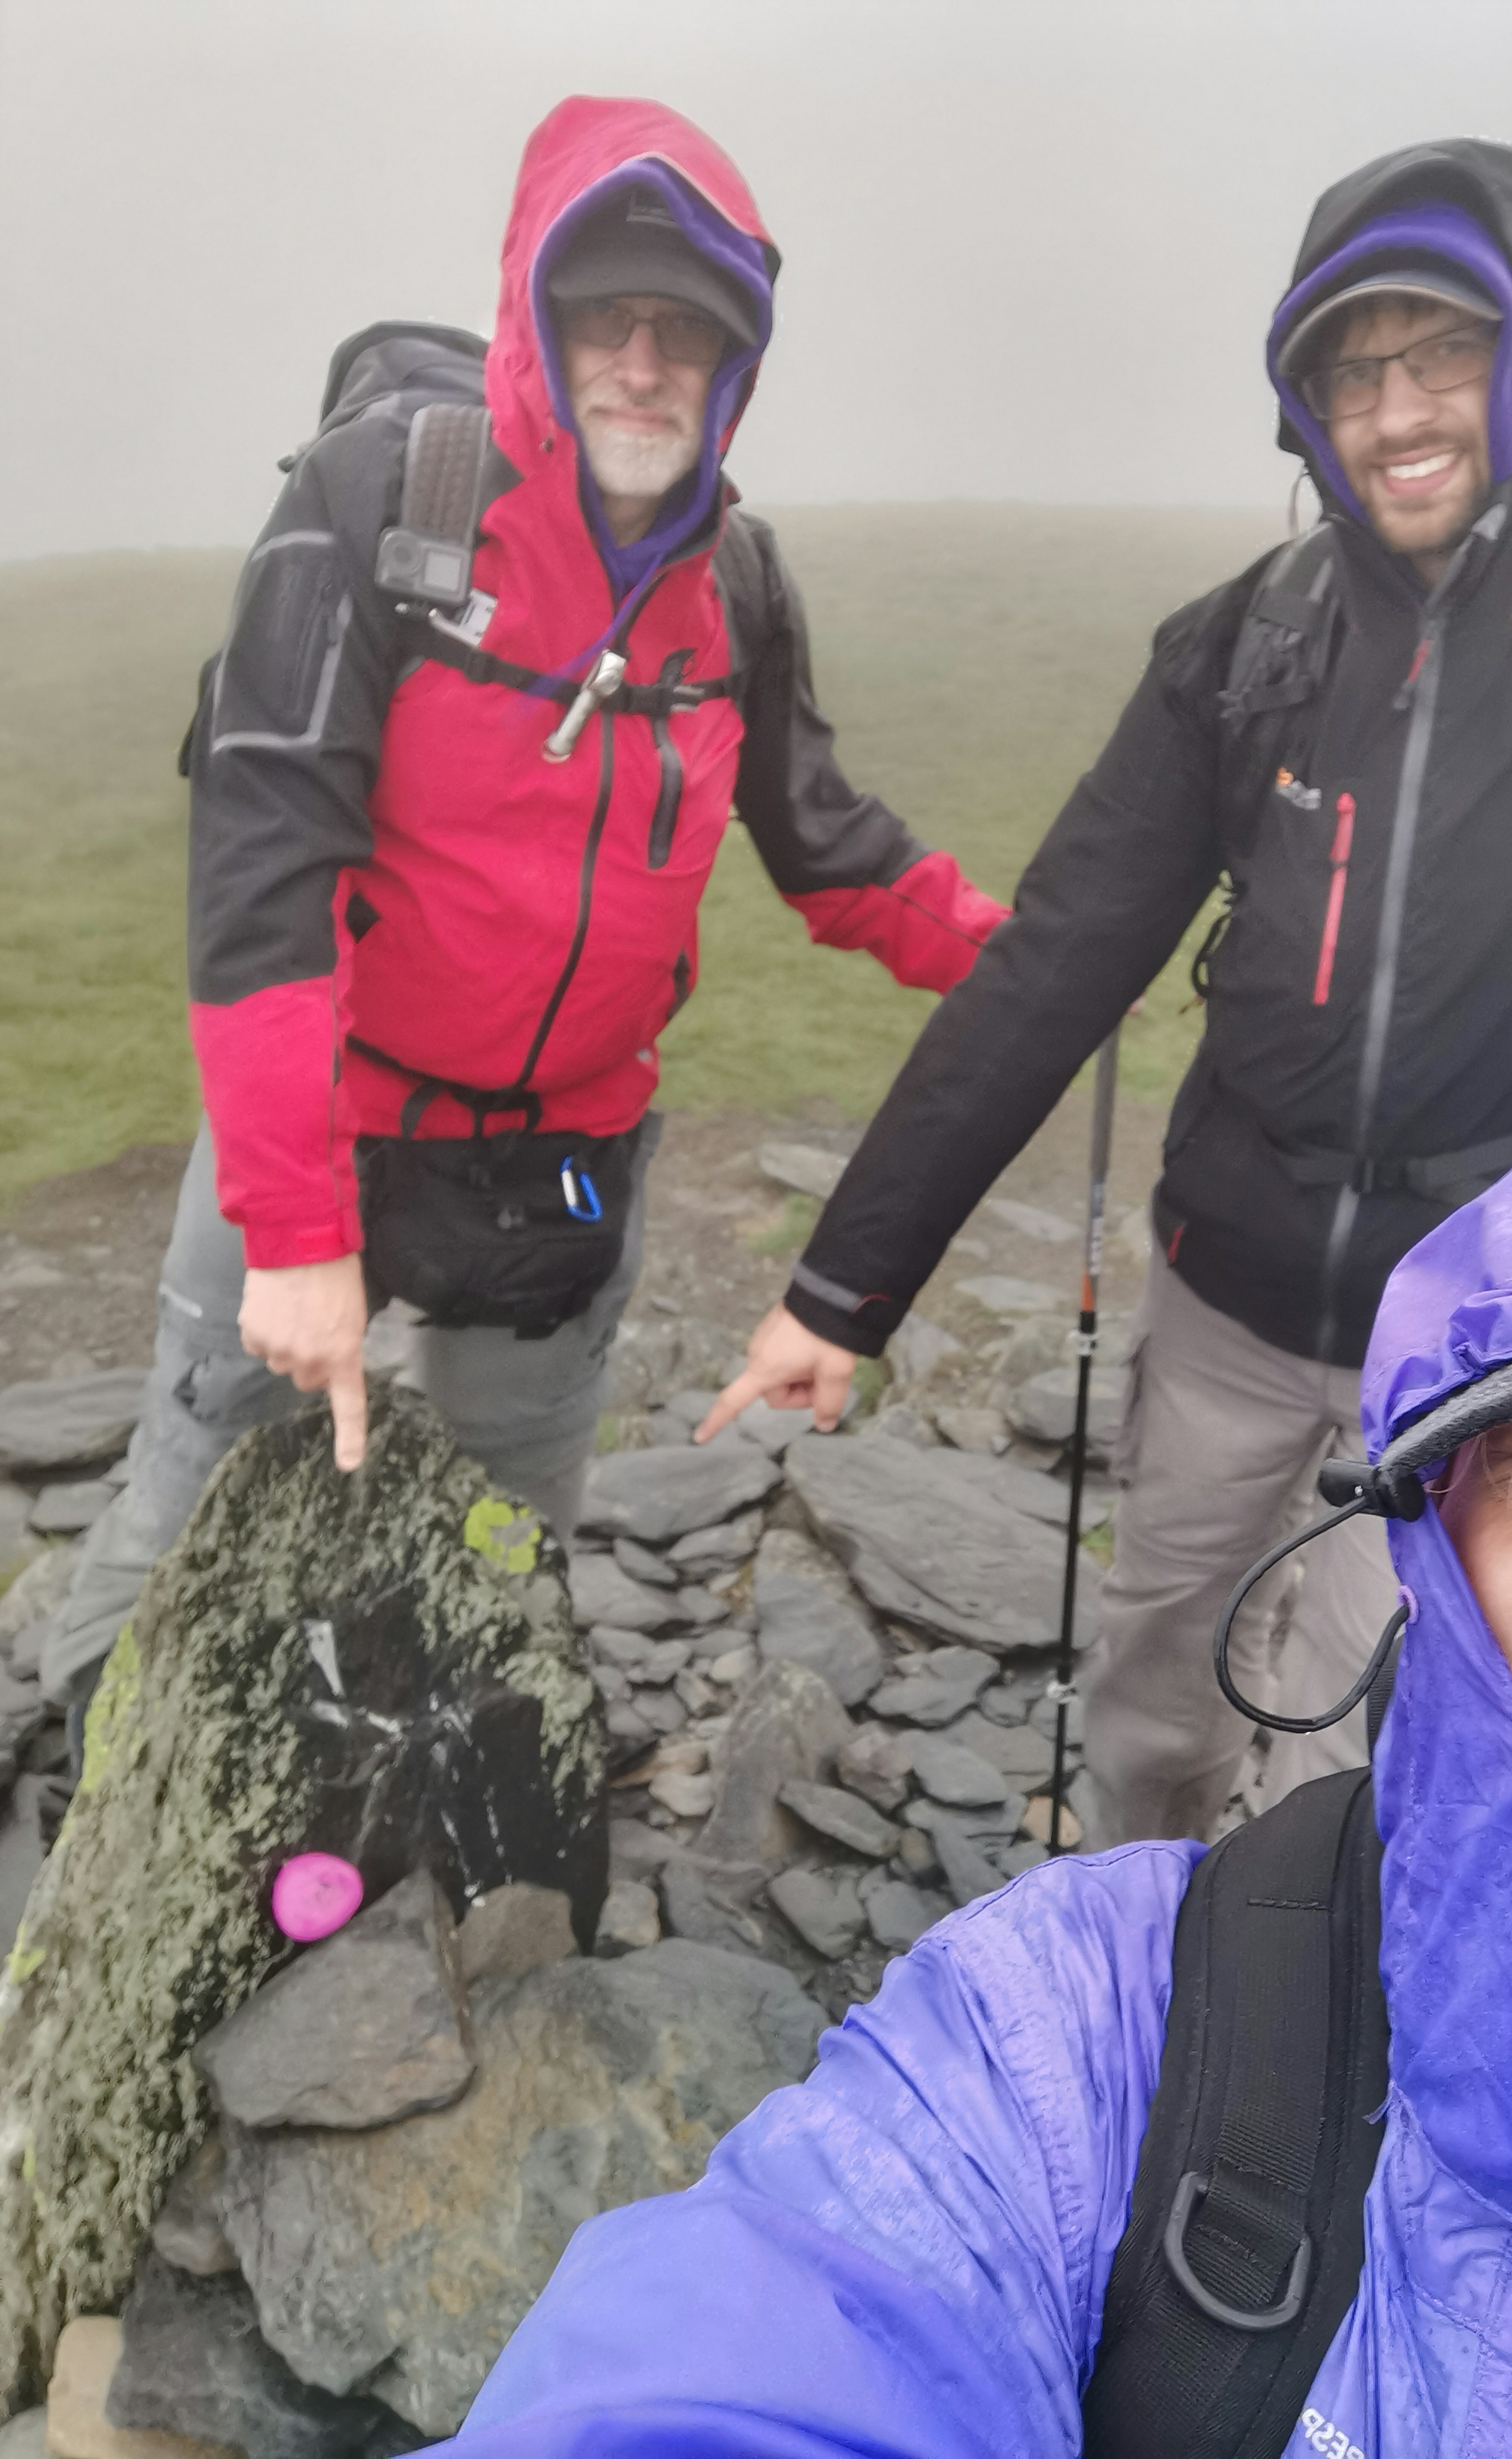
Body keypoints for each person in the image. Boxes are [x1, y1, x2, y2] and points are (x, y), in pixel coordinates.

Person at [441, 1031, 1512, 2455]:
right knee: (1168, 1659)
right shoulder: (1072, 2040)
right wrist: (840, 1288)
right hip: (1237, 1283)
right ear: (1449, 1500)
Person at [701, 137, 1512, 1847]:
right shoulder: (1246, 649)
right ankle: (1148, 1973)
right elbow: (1058, 962)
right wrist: (842, 1293)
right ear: (1307, 411)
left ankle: (1293, 2062)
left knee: (1349, 1769)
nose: (1396, 412)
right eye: (1350, 372)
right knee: (1156, 1704)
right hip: (1226, 1315)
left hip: (1492, 1354)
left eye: (1442, 351)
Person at [39, 97, 1004, 1750]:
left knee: (504, 1534)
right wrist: (291, 1232)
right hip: (322, 1133)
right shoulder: (370, 512)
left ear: (733, 366)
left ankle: (466, 1827)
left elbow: (831, 850)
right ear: (533, 325)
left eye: (685, 329)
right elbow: (266, 870)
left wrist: (1039, 960)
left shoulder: (736, 591)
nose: (642, 360)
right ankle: (89, 1820)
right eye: (603, 316)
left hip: (562, 1159)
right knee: (187, 1499)